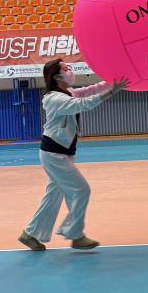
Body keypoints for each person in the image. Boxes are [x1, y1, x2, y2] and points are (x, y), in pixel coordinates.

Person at [18, 59, 126, 251]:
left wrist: (111, 80)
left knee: (53, 196)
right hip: (54, 154)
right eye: (66, 69)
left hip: (63, 152)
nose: (70, 70)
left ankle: (30, 234)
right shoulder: (53, 99)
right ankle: (75, 234)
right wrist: (112, 91)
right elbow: (83, 104)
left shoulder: (68, 93)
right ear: (56, 76)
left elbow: (90, 90)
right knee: (81, 190)